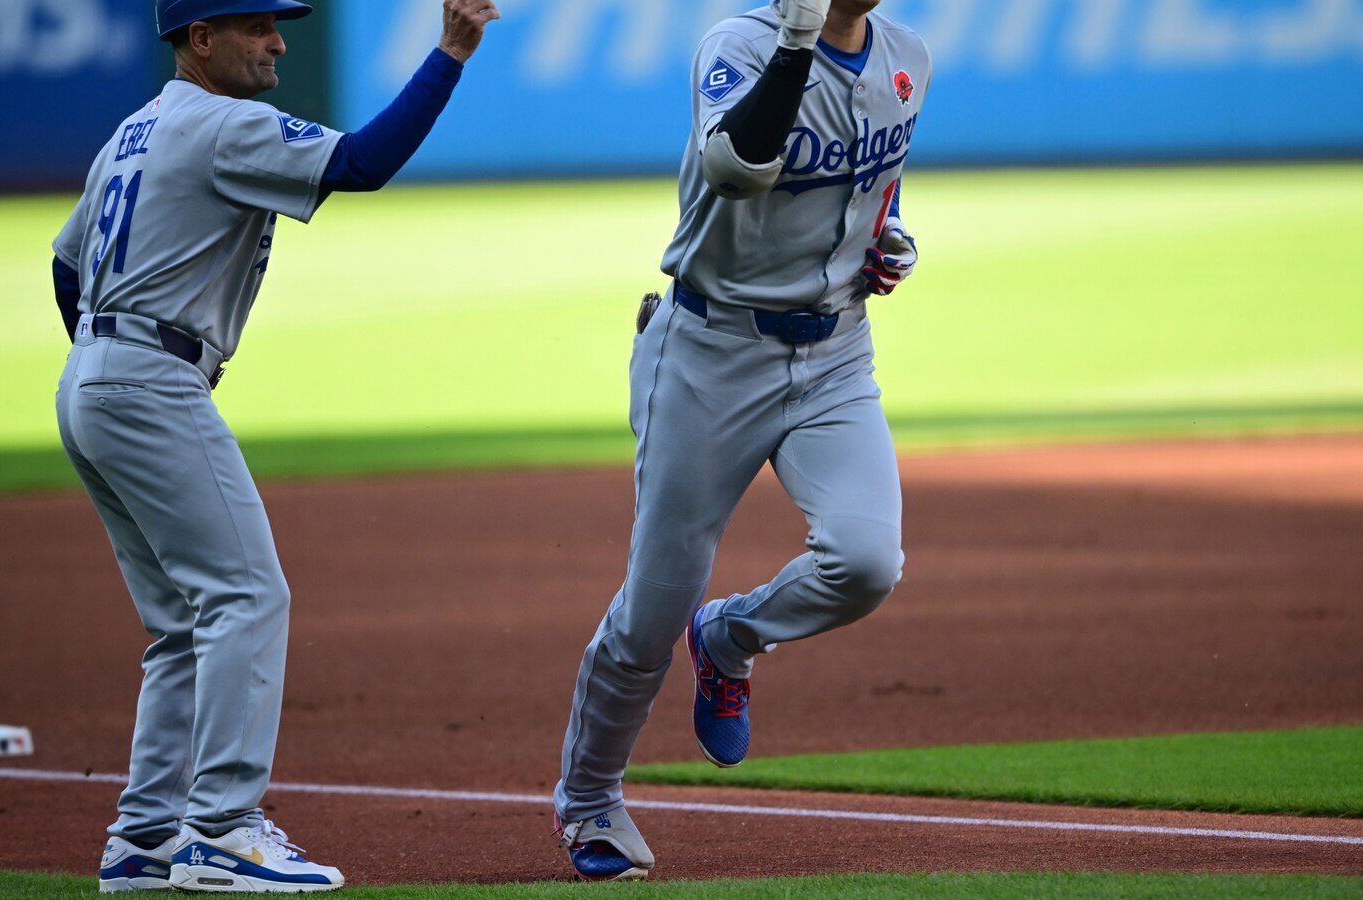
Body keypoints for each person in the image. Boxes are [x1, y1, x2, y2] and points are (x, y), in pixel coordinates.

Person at [53, 0, 499, 892]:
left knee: (183, 623)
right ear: (200, 40)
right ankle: (220, 828)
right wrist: (451, 51)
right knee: (248, 596)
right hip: (147, 377)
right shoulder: (225, 123)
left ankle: (143, 839)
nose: (280, 41)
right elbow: (363, 163)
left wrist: (107, 361)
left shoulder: (133, 132)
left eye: (277, 24)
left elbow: (66, 266)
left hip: (91, 381)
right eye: (256, 26)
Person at [552, 0, 930, 880]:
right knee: (651, 610)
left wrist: (889, 240)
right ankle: (590, 800)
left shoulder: (907, 57)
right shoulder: (740, 45)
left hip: (836, 353)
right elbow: (735, 167)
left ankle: (728, 638)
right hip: (709, 353)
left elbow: (878, 188)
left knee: (867, 561)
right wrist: (799, 43)